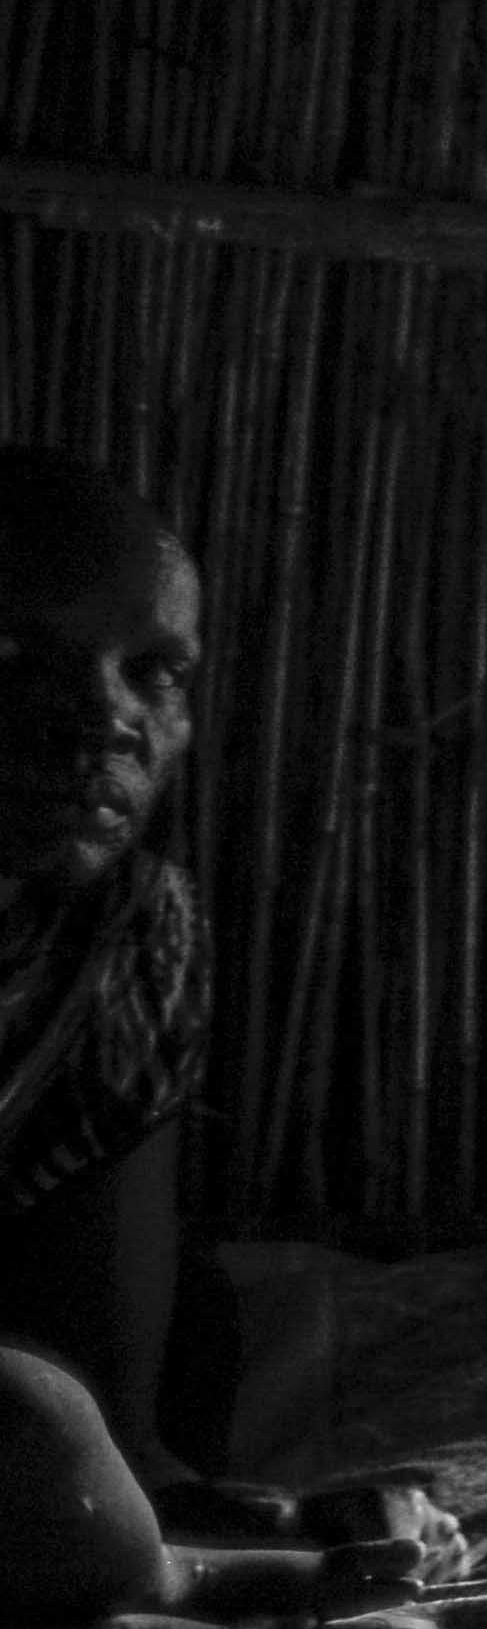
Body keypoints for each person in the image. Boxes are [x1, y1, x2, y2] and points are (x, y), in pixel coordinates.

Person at [0, 448, 210, 1477]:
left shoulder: (128, 939)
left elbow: (109, 1422)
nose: (106, 715)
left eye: (155, 671)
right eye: (13, 652)